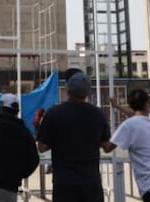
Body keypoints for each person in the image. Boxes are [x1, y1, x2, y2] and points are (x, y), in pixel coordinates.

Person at [36, 72, 113, 202]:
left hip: (64, 183)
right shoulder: (98, 115)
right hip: (91, 182)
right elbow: (106, 145)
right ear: (88, 92)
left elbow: (42, 147)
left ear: (67, 90)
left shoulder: (54, 114)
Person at [108, 89, 150, 202]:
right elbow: (137, 115)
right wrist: (117, 106)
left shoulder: (129, 126)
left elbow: (108, 147)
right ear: (147, 103)